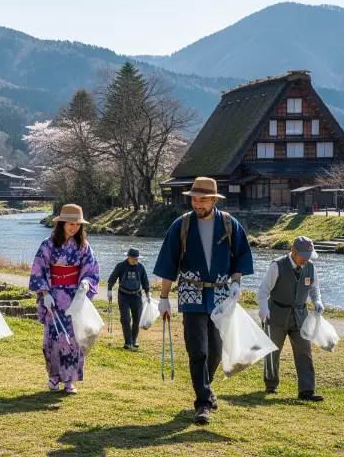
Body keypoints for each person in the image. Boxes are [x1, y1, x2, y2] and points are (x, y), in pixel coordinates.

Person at [153, 177, 254, 425]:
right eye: (194, 199)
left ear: (214, 200)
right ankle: (203, 403)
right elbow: (169, 263)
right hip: (191, 294)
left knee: (216, 351)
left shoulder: (230, 224)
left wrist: (236, 283)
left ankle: (206, 390)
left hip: (220, 295)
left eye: (203, 199)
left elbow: (240, 257)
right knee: (197, 350)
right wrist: (164, 298)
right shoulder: (182, 225)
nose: (197, 204)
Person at [29, 204, 99, 394]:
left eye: (77, 224)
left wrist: (86, 283)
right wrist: (44, 294)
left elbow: (91, 269)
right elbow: (38, 270)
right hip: (53, 296)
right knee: (54, 338)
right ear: (61, 223)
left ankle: (70, 380)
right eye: (70, 224)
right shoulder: (48, 244)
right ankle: (53, 378)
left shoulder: (83, 246)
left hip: (75, 298)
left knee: (74, 338)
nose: (74, 227)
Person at [257, 236, 325, 402]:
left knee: (304, 352)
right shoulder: (277, 265)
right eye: (303, 255)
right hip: (277, 314)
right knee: (272, 351)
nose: (306, 259)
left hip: (300, 316)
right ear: (293, 252)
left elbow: (314, 289)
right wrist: (263, 309)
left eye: (308, 255)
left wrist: (317, 301)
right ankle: (271, 385)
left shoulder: (310, 267)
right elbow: (263, 291)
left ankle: (306, 390)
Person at [107, 248, 151, 350]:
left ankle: (134, 340)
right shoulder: (120, 266)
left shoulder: (140, 267)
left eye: (137, 259)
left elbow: (145, 281)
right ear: (128, 257)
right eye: (134, 258)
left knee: (137, 319)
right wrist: (109, 291)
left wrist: (148, 293)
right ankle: (128, 342)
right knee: (125, 319)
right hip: (123, 295)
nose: (136, 260)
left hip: (136, 295)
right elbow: (112, 279)